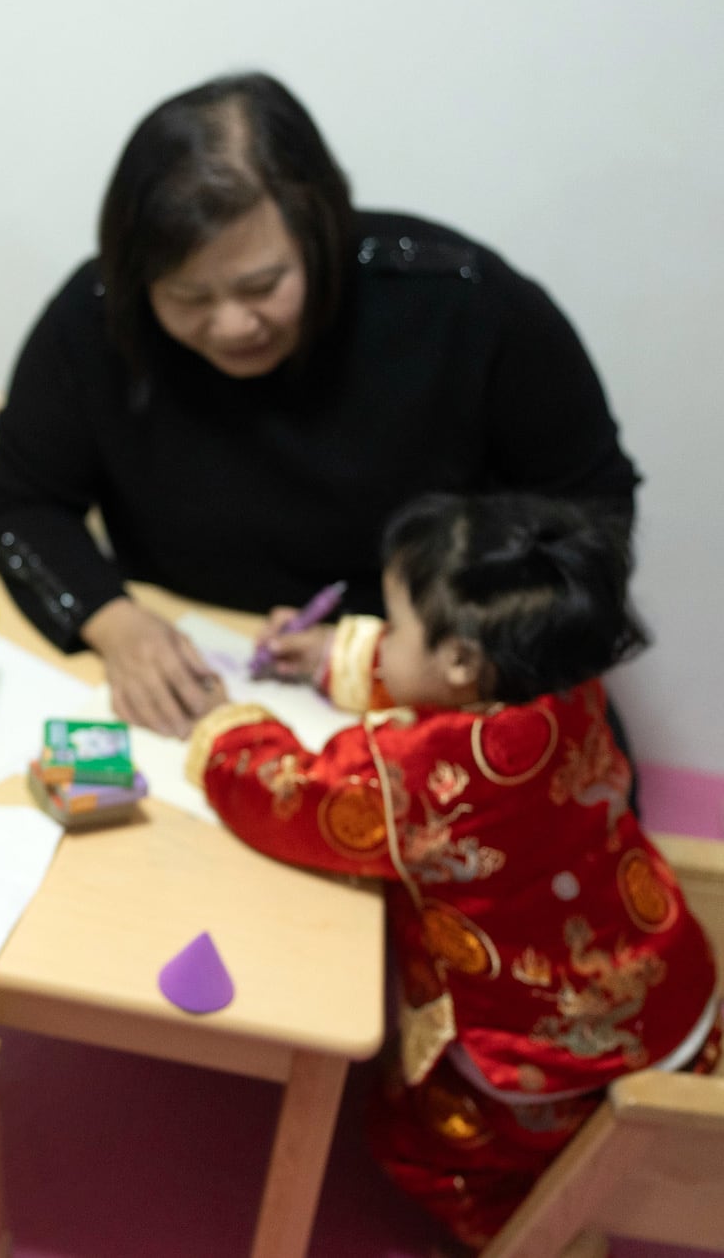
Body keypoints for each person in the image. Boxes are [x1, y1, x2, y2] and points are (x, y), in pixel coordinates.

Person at [0, 72, 639, 740]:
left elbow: (592, 516)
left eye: (262, 285)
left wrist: (416, 653)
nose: (231, 325)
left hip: (454, 693)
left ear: (320, 230)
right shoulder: (100, 318)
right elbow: (17, 501)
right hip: (211, 678)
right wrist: (113, 622)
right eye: (187, 297)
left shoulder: (461, 304)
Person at [183, 492, 717, 1249]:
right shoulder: (563, 684)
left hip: (542, 1053)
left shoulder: (428, 778)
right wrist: (342, 655)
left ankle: (531, 1233)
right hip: (670, 993)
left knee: (418, 1146)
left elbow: (297, 799)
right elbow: (439, 678)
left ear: (462, 659)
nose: (385, 639)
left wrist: (224, 724)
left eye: (393, 626)